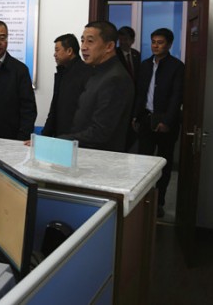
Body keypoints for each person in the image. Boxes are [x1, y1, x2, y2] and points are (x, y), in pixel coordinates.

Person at [57, 21, 134, 152]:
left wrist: (57, 141)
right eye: (82, 41)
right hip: (84, 152)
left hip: (102, 157)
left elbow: (100, 132)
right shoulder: (97, 72)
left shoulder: (115, 79)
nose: (83, 47)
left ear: (109, 46)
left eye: (90, 41)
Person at [133, 28, 184, 217]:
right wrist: (135, 116)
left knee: (164, 163)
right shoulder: (145, 65)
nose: (155, 45)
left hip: (165, 121)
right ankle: (141, 200)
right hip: (146, 118)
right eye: (153, 42)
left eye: (160, 42)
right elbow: (140, 93)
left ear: (169, 45)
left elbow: (177, 97)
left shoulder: (176, 66)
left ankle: (159, 202)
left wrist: (167, 121)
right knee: (143, 162)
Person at [41, 33, 91, 137]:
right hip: (61, 136)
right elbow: (54, 108)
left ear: (69, 51)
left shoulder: (85, 73)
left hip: (74, 137)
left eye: (57, 50)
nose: (54, 54)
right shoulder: (63, 72)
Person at [115, 25, 141, 151]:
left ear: (132, 40)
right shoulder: (114, 54)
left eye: (125, 39)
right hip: (119, 99)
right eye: (120, 39)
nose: (122, 42)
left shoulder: (136, 54)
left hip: (134, 99)